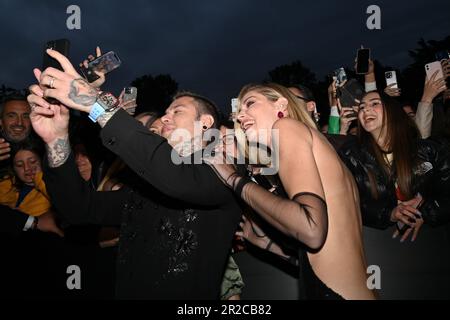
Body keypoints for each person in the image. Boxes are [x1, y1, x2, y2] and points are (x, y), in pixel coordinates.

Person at [27, 49, 241, 299]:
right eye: (165, 112)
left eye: (177, 111)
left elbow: (174, 176)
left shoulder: (226, 170)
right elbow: (78, 208)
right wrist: (56, 140)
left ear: (205, 122)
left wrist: (94, 101)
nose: (165, 118)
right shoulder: (145, 189)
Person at [207, 82, 375, 299]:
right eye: (239, 110)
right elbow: (320, 256)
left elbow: (311, 229)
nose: (240, 116)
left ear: (282, 104)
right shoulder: (314, 147)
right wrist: (266, 244)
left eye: (250, 104)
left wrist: (232, 178)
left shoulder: (285, 126)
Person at [339, 90, 450, 298]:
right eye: (361, 107)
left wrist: (426, 212)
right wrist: (389, 213)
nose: (366, 110)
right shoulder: (350, 155)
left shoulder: (430, 151)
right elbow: (345, 202)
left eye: (374, 104)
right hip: (377, 253)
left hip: (431, 252)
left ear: (392, 111)